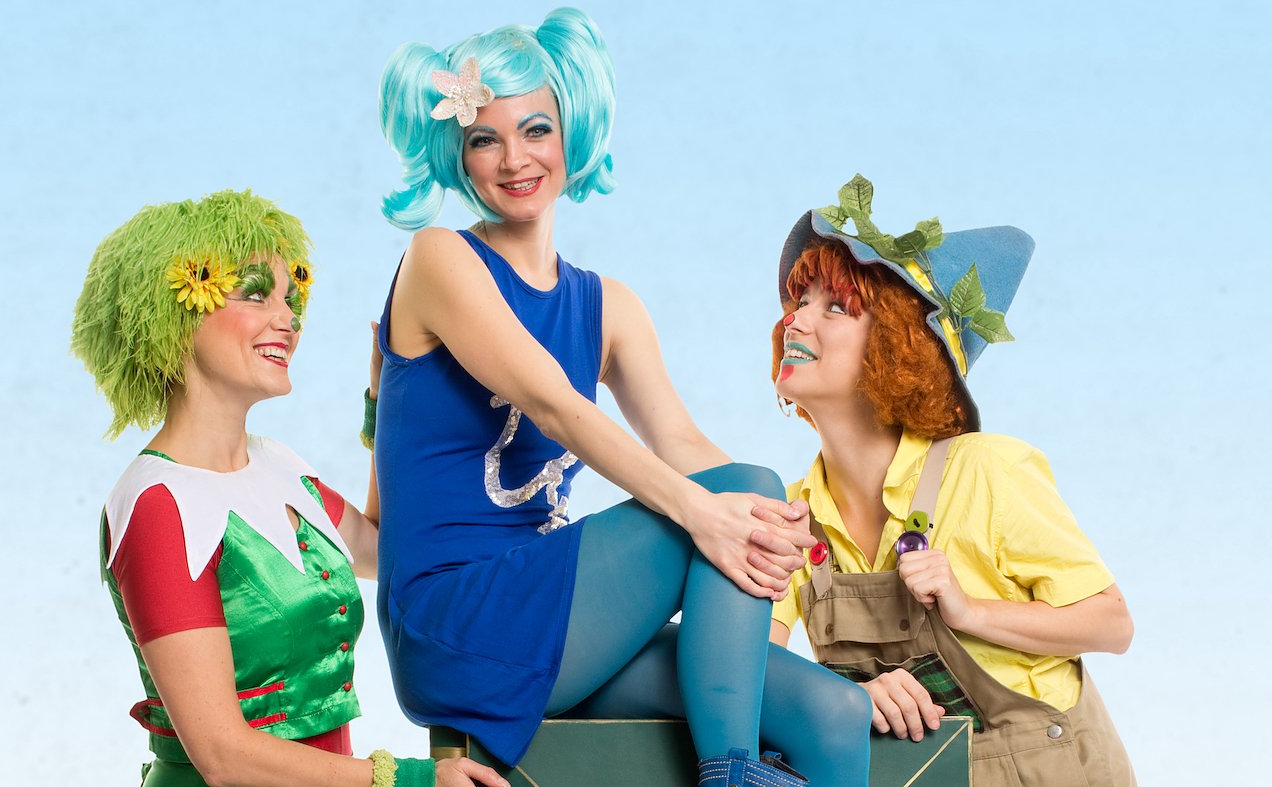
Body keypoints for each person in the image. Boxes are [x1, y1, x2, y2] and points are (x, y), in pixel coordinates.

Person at [371, 9, 872, 786]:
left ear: (572, 131)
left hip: (565, 622)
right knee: (737, 494)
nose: (514, 159)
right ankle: (732, 773)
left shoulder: (609, 306)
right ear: (459, 156)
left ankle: (739, 761)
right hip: (460, 622)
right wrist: (715, 510)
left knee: (833, 711)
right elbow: (556, 407)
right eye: (484, 140)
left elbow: (686, 448)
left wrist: (778, 524)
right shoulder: (438, 258)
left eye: (536, 130)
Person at [73, 190, 506, 787]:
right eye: (256, 294)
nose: (289, 319)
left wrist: (386, 401)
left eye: (290, 298)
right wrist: (410, 779)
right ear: (174, 315)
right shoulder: (155, 505)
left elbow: (386, 548)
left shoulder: (278, 466)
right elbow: (223, 755)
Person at [768, 176, 1136, 785]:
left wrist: (970, 612)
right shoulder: (789, 513)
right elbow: (753, 665)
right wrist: (843, 699)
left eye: (835, 307)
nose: (795, 322)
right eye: (799, 302)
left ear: (896, 348)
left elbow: (1112, 624)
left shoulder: (986, 470)